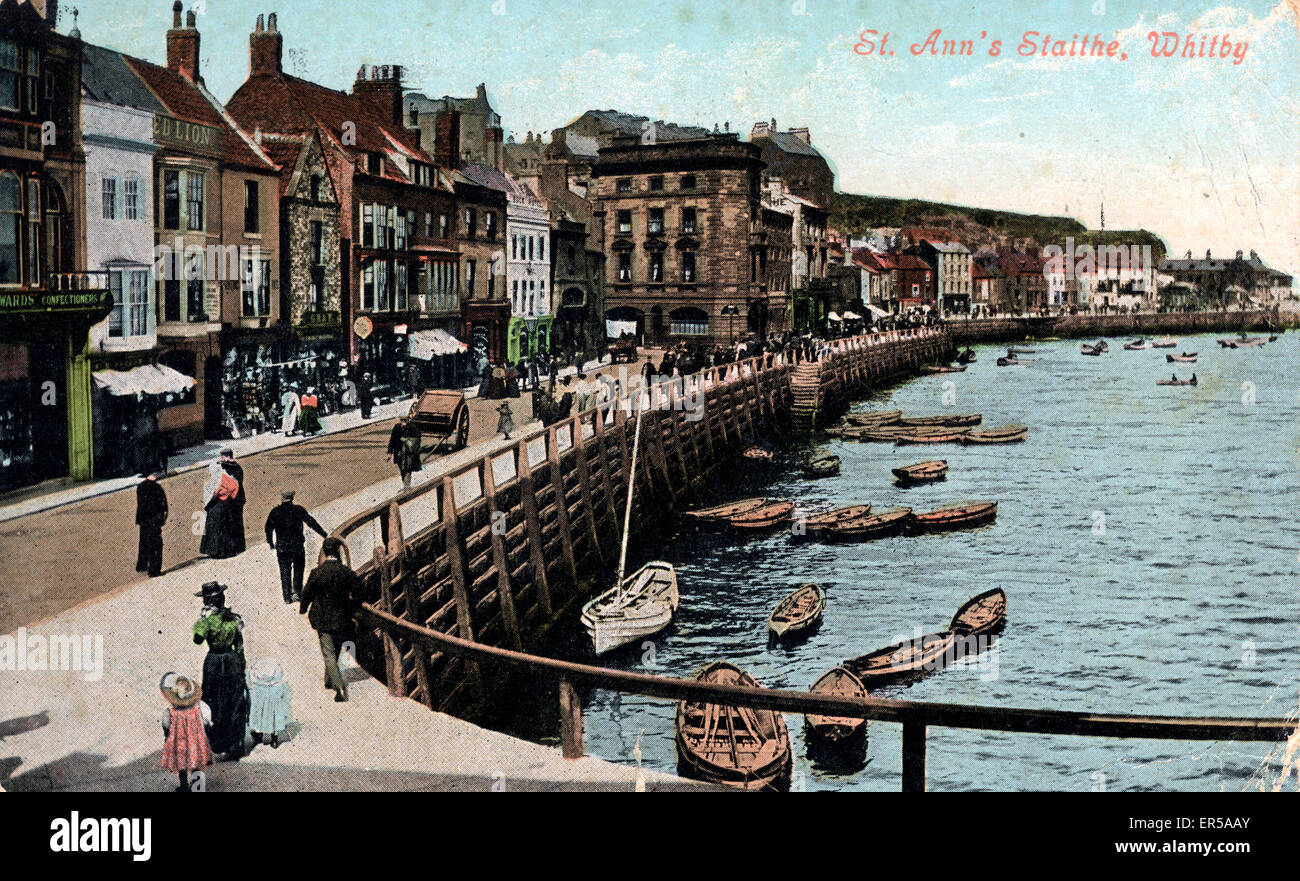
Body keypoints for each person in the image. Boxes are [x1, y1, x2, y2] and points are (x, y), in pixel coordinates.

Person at [300, 537, 363, 702]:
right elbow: (359, 592)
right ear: (338, 552)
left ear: (325, 552)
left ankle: (338, 686)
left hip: (322, 619)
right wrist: (352, 607)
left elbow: (307, 594)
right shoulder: (346, 572)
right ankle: (330, 680)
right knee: (336, 649)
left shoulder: (317, 573)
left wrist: (303, 609)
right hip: (342, 618)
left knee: (328, 652)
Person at [191, 582, 250, 758]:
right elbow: (239, 645)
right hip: (232, 661)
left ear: (207, 602)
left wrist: (202, 620)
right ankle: (236, 742)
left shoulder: (207, 620)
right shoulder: (233, 618)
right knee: (234, 700)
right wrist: (241, 665)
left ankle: (219, 741)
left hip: (214, 662)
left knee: (213, 699)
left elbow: (197, 640)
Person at [264, 490, 328, 603]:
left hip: (282, 548)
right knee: (299, 569)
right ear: (292, 499)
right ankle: (298, 593)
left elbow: (268, 528)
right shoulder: (298, 510)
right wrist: (323, 534)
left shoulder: (275, 512)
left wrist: (270, 543)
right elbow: (311, 522)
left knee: (285, 571)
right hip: (297, 547)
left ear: (282, 499)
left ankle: (287, 597)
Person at [159, 672, 212, 792]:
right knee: (196, 764)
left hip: (179, 744)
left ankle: (184, 786)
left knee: (181, 765)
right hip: (195, 742)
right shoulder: (200, 707)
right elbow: (207, 720)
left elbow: (166, 725)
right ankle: (198, 788)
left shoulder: (169, 712)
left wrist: (167, 736)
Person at [200, 450, 245, 560]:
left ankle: (216, 549)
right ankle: (238, 546)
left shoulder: (224, 468)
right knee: (235, 524)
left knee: (220, 526)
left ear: (225, 456)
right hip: (236, 498)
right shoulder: (237, 467)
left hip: (224, 500)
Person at [247, 658, 293, 748]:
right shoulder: (278, 682)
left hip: (259, 700)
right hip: (273, 702)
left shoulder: (256, 683)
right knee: (273, 715)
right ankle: (274, 737)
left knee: (257, 713)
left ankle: (258, 735)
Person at [135, 472, 168, 578]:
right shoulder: (158, 488)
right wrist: (162, 519)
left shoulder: (140, 487)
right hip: (154, 520)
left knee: (144, 542)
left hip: (143, 520)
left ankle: (142, 565)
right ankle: (154, 570)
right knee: (155, 545)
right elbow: (163, 506)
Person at [388, 418, 424, 489]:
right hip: (399, 453)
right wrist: (390, 452)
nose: (403, 422)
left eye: (405, 420)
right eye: (402, 420)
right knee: (402, 469)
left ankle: (407, 486)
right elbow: (392, 440)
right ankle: (405, 485)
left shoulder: (413, 427)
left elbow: (417, 441)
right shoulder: (397, 428)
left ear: (408, 420)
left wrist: (406, 441)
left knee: (408, 468)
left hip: (409, 454)